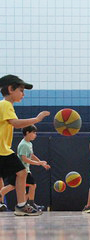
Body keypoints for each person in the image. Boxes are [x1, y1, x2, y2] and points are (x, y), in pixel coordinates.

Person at [0, 74, 49, 216]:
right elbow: (15, 123)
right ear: (10, 89)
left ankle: (21, 206)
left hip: (3, 150)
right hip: (2, 150)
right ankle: (21, 206)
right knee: (21, 172)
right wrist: (37, 119)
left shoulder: (5, 105)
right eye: (21, 90)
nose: (23, 94)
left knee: (19, 174)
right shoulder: (5, 104)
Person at [0, 125, 50, 211]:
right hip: (20, 170)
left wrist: (41, 163)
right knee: (32, 185)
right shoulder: (23, 144)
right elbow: (24, 159)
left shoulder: (29, 144)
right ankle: (29, 203)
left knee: (14, 186)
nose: (35, 135)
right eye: (34, 133)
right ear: (27, 133)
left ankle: (24, 204)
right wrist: (38, 163)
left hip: (25, 170)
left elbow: (31, 155)